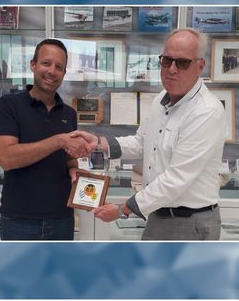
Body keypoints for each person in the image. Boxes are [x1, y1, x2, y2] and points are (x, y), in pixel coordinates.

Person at [73, 28, 227, 240]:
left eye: (182, 63)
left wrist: (121, 210)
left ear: (200, 65)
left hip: (189, 223)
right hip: (158, 214)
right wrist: (98, 143)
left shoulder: (206, 111)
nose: (172, 69)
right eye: (166, 60)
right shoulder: (162, 98)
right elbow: (142, 142)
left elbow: (176, 180)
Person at [0, 39, 93, 240]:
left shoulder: (70, 114)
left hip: (61, 219)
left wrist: (74, 168)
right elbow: (7, 158)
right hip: (19, 220)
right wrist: (58, 141)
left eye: (59, 67)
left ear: (64, 74)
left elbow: (68, 158)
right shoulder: (8, 105)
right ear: (33, 65)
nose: (52, 71)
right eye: (46, 63)